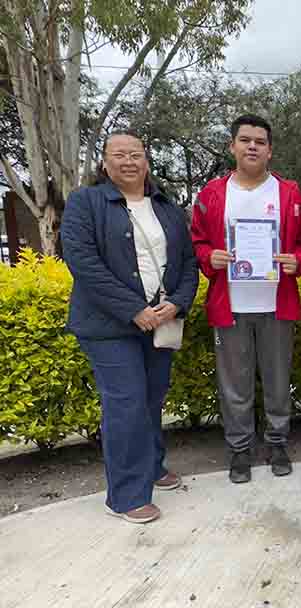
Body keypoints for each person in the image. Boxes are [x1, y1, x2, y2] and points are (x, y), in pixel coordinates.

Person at [61, 131, 198, 523]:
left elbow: (188, 263)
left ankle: (151, 467)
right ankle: (125, 496)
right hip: (108, 326)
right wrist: (134, 309)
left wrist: (178, 303)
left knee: (152, 399)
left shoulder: (166, 207)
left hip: (160, 321)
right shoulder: (86, 202)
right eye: (118, 154)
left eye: (135, 154)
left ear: (146, 161)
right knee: (126, 403)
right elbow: (84, 264)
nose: (128, 161)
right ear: (104, 163)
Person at [191, 114, 301, 484]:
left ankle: (277, 443)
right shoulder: (212, 194)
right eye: (245, 140)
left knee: (278, 381)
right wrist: (208, 256)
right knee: (234, 385)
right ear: (233, 146)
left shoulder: (289, 192)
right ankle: (239, 448)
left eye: (260, 141)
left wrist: (298, 260)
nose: (252, 146)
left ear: (270, 150)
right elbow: (196, 241)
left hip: (277, 303)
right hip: (231, 305)